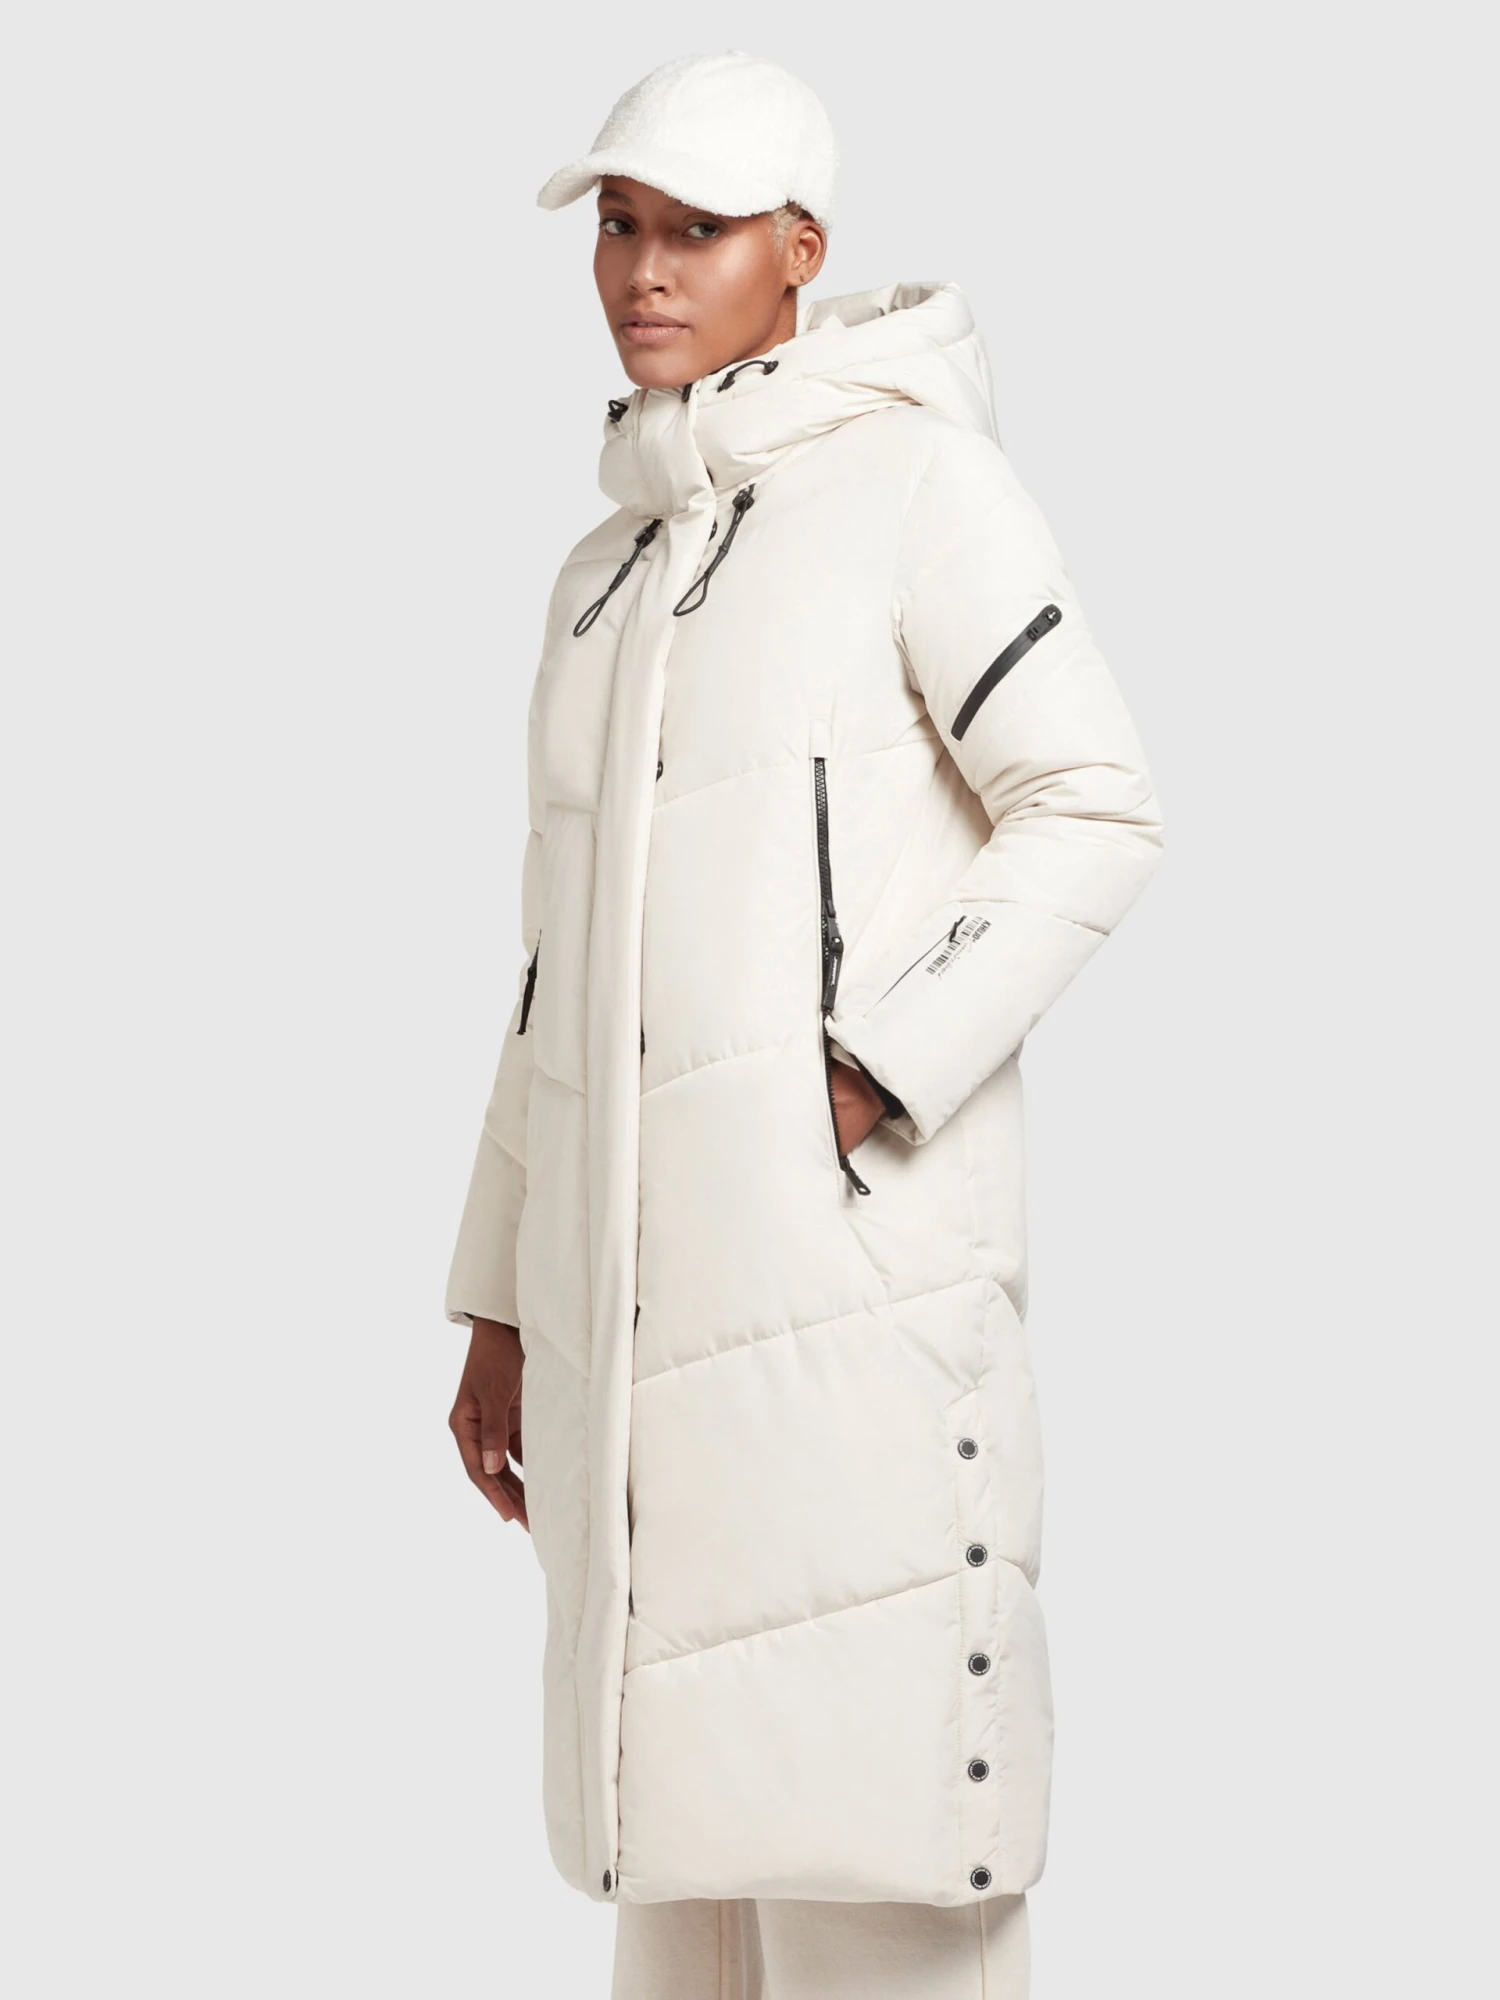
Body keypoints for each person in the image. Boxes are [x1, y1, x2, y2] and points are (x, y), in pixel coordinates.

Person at [444, 49, 1163, 2000]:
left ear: (801, 250)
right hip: (630, 1319)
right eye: (619, 224)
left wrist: (874, 1065)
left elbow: (1094, 800)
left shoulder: (923, 487)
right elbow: (551, 973)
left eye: (695, 229)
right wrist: (499, 1291)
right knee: (679, 1869)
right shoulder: (603, 576)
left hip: (845, 1297)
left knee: (874, 1842)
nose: (643, 271)